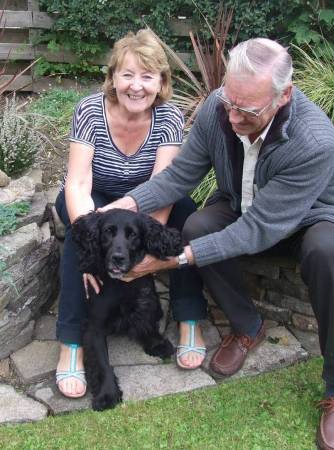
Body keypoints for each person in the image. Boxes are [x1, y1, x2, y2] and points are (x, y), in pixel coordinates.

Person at [100, 37, 334, 449]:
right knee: (196, 225)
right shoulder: (218, 108)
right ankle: (247, 326)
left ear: (284, 96)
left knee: (328, 252)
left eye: (246, 110)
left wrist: (171, 263)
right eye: (229, 101)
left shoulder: (312, 139)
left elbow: (255, 231)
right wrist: (124, 203)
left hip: (311, 219)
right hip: (244, 205)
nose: (233, 116)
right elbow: (180, 176)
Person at [55, 29, 208, 400]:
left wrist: (149, 255)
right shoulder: (90, 110)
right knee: (80, 242)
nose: (136, 86)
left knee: (186, 215)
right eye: (127, 75)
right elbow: (77, 184)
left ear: (161, 82)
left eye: (147, 76)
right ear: (113, 78)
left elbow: (163, 186)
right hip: (94, 195)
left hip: (145, 201)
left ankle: (189, 319)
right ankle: (71, 343)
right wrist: (92, 247)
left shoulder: (169, 116)